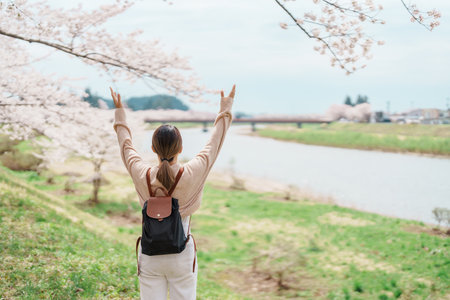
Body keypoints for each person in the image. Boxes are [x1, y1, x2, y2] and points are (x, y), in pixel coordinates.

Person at [110, 85, 236, 300]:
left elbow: (126, 146)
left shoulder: (143, 173)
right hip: (182, 253)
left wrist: (120, 112)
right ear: (180, 149)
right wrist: (225, 108)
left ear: (153, 149)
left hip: (150, 254)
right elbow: (214, 142)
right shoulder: (194, 170)